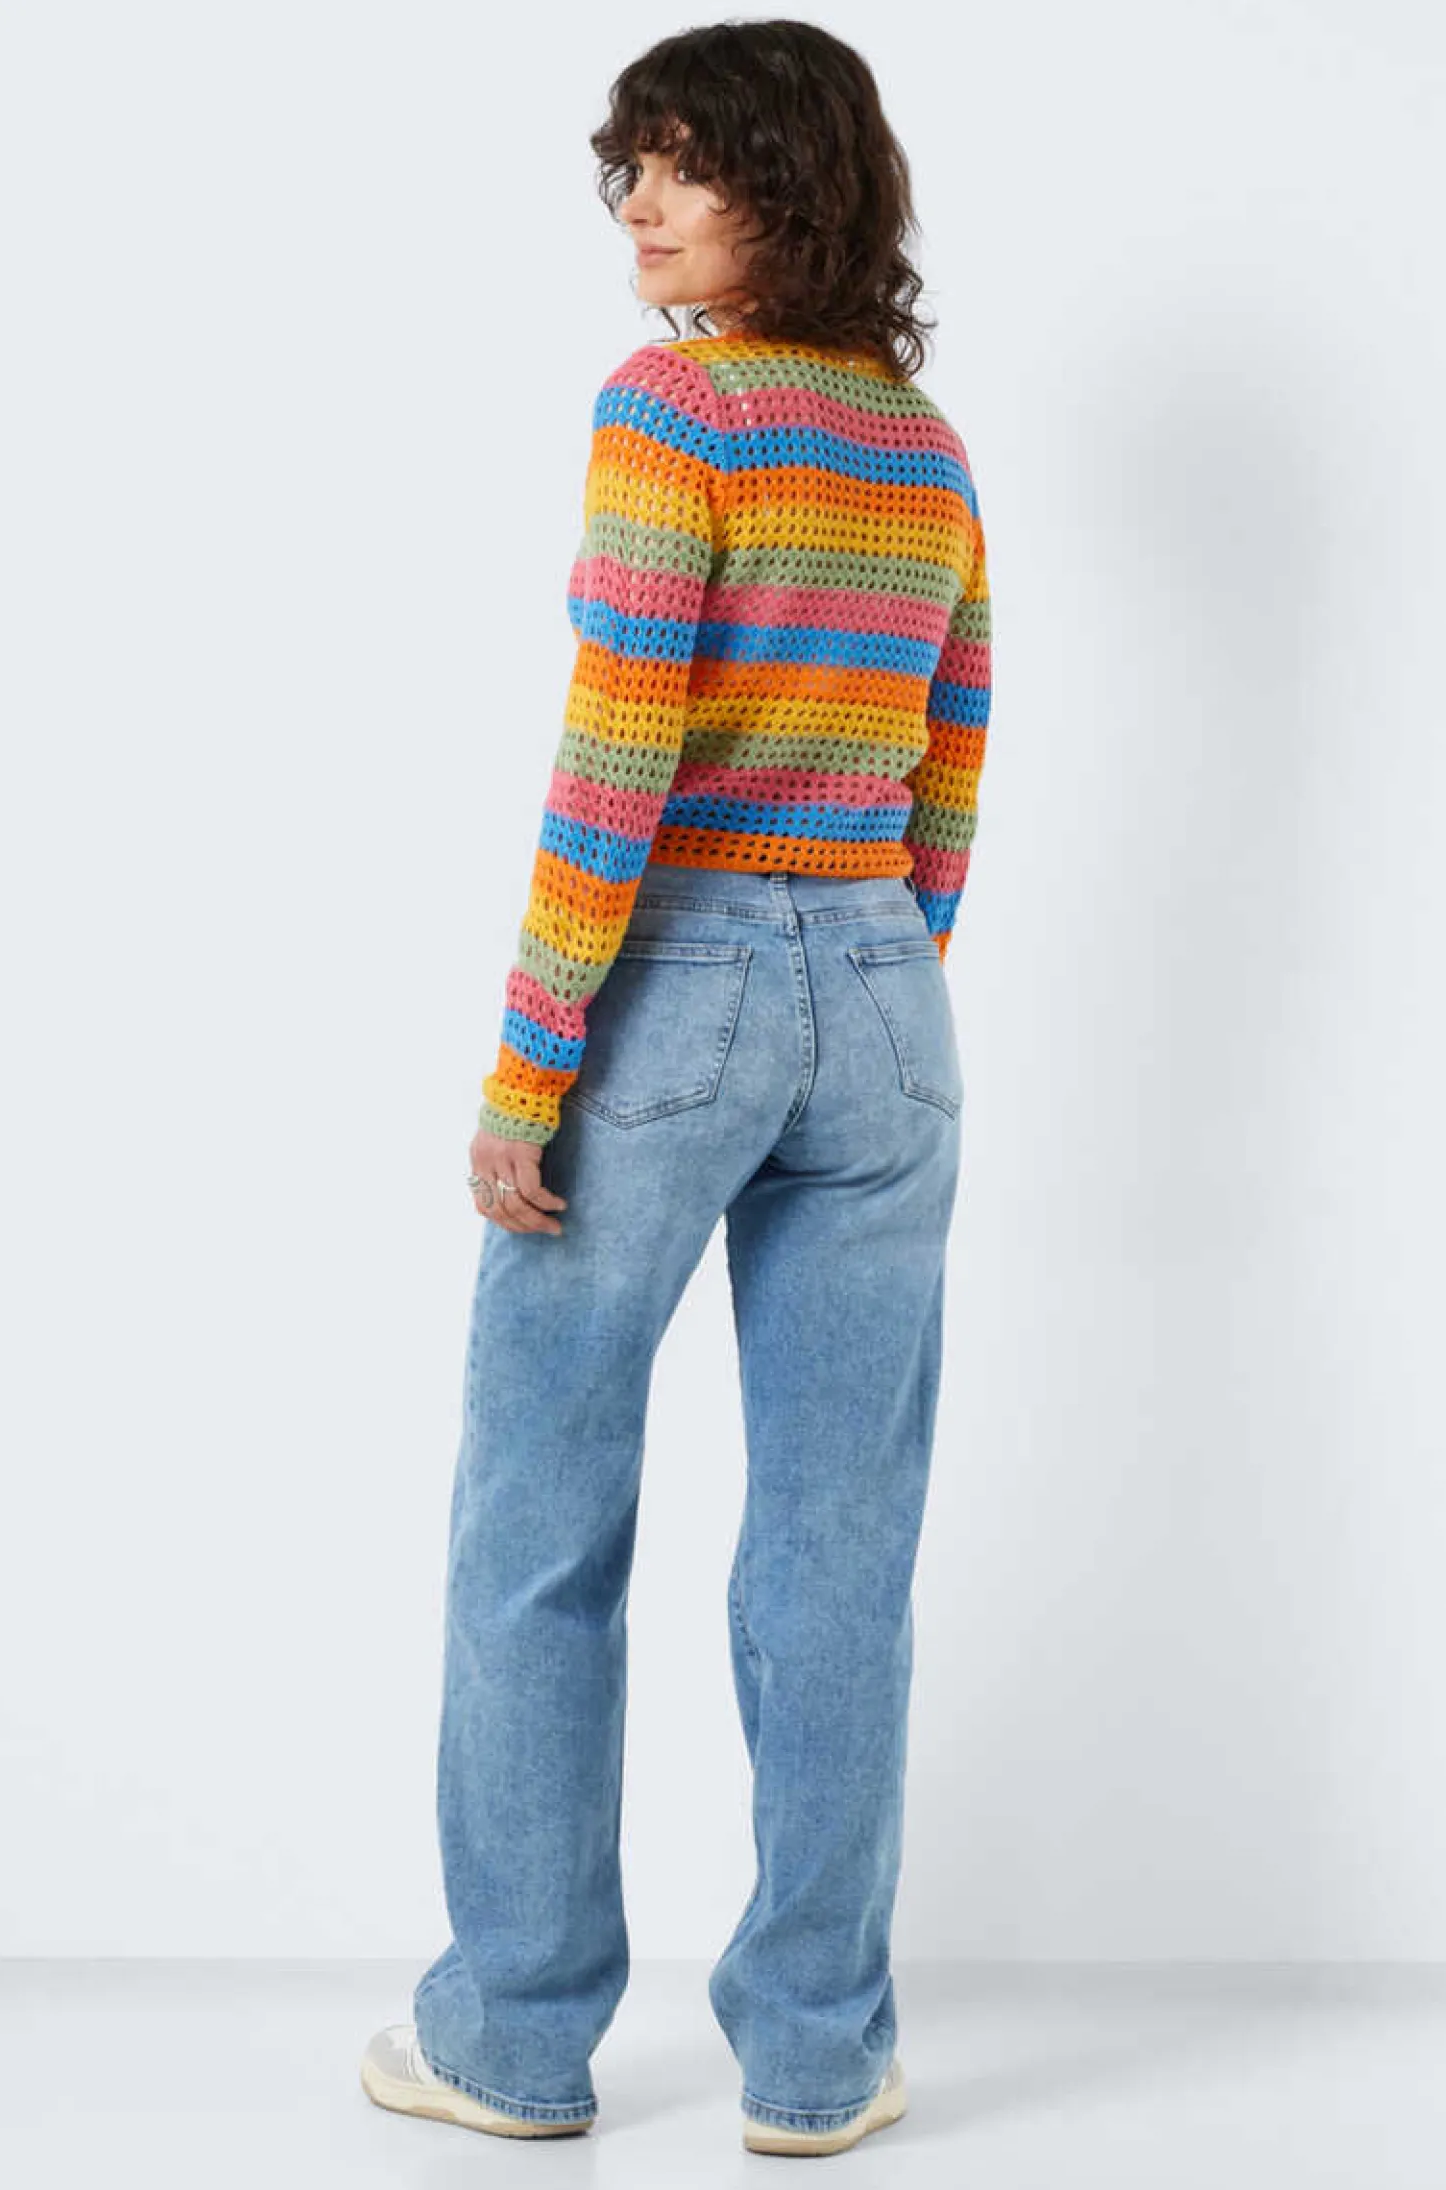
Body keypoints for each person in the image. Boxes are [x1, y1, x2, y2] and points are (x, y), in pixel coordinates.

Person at [360, 18, 992, 2159]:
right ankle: (817, 2055)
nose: (640, 202)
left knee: (537, 1519)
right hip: (886, 991)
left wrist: (532, 1060)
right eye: (629, 163)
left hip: (674, 975)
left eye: (689, 162)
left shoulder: (677, 406)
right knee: (840, 1541)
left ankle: (513, 2034)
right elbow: (954, 748)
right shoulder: (923, 443)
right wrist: (878, 966)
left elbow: (619, 745)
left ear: (794, 187)